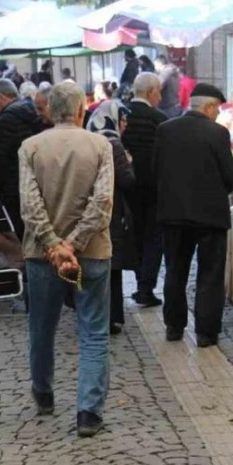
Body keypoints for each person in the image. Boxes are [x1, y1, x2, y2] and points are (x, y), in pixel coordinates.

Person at [18, 81, 114, 437]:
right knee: (93, 332)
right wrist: (74, 243)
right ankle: (89, 411)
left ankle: (43, 394)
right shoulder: (100, 145)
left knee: (42, 328)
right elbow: (103, 202)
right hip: (92, 253)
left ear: (49, 109)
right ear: (80, 110)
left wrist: (54, 244)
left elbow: (30, 205)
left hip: (42, 256)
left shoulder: (30, 147)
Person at [154, 84, 233, 347]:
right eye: (217, 109)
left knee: (175, 271)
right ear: (210, 107)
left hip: (173, 214)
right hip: (210, 216)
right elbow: (230, 176)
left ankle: (174, 327)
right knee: (210, 274)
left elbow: (156, 170)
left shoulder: (165, 130)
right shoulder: (217, 133)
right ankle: (206, 332)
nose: (217, 114)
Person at [87, 99, 137, 335]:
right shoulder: (113, 144)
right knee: (111, 265)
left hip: (88, 210)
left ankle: (94, 315)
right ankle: (111, 317)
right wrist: (129, 163)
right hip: (112, 211)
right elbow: (127, 181)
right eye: (123, 119)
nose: (125, 125)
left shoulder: (88, 139)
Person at [121, 72, 168, 307]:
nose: (160, 96)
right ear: (151, 92)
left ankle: (140, 278)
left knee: (135, 233)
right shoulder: (158, 118)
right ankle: (145, 287)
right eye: (159, 91)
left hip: (127, 185)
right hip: (153, 187)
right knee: (153, 237)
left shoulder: (122, 114)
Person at [0, 78, 43, 241]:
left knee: (14, 234)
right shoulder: (32, 111)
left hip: (13, 185)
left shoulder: (8, 118)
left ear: (2, 97)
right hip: (36, 181)